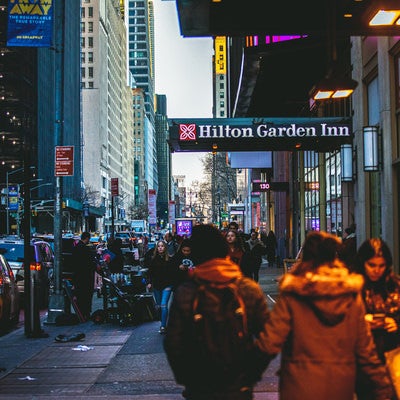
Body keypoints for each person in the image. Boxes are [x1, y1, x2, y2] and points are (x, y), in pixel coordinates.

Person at [256, 231, 394, 400]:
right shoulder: (349, 295)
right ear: (334, 257)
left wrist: (247, 377)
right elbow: (365, 349)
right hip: (340, 385)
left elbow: (270, 341)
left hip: (299, 384)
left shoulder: (294, 294)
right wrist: (382, 387)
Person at [164, 224, 270, 400]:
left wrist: (188, 378)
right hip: (238, 384)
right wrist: (251, 374)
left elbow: (174, 342)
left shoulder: (187, 292)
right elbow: (268, 336)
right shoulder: (247, 290)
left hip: (200, 386)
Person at [354, 238, 400, 400]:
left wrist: (396, 324)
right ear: (363, 263)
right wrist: (361, 323)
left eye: (381, 266)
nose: (377, 270)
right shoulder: (353, 288)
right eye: (372, 265)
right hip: (361, 363)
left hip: (391, 358)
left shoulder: (395, 286)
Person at [144, 240, 175, 334]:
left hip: (167, 285)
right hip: (157, 285)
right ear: (157, 248)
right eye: (159, 246)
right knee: (159, 306)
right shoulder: (153, 260)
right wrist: (149, 282)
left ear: (165, 248)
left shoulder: (169, 259)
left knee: (163, 304)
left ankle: (163, 326)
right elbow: (149, 273)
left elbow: (173, 273)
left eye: (162, 246)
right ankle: (163, 322)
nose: (160, 248)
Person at [71, 232, 97, 321]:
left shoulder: (75, 248)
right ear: (87, 238)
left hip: (78, 276)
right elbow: (90, 262)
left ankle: (80, 313)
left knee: (79, 295)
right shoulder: (85, 249)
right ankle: (86, 313)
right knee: (86, 295)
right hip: (86, 276)